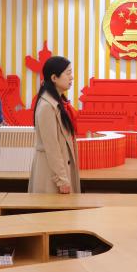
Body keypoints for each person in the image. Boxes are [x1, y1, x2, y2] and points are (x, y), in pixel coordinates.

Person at [28, 56, 81, 194]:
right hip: (51, 176)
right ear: (54, 78)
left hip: (57, 171)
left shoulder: (57, 102)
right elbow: (52, 147)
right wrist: (61, 179)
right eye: (68, 73)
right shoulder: (47, 106)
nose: (72, 77)